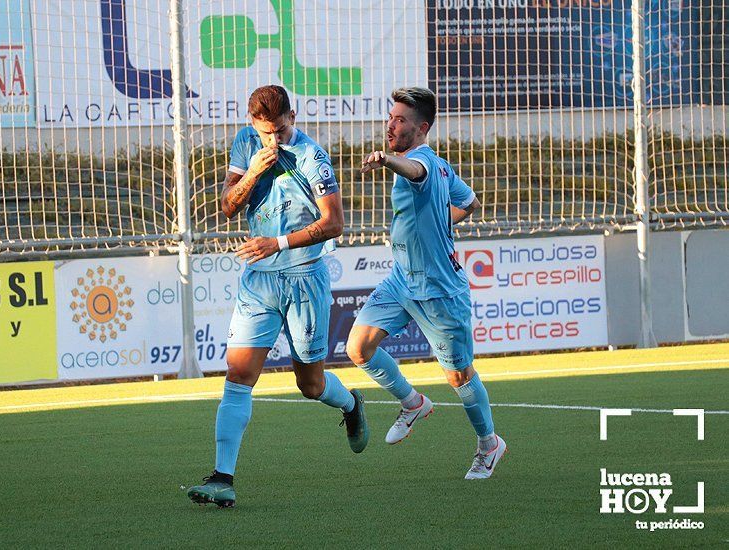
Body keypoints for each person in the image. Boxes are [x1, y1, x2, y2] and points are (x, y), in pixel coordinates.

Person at [187, 85, 369, 508]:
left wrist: (279, 243)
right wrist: (251, 172)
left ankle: (351, 403)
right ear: (254, 124)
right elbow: (228, 206)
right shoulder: (246, 143)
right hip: (259, 281)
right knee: (237, 377)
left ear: (293, 116)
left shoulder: (312, 156)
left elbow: (335, 223)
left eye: (281, 130)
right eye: (267, 132)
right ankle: (222, 477)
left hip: (304, 277)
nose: (275, 140)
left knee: (310, 384)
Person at [346, 87, 506, 480]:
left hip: (438, 289)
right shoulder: (445, 167)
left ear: (422, 129)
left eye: (400, 120)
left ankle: (489, 445)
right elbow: (469, 202)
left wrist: (387, 160)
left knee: (459, 376)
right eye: (391, 117)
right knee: (358, 347)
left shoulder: (419, 164)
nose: (391, 124)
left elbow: (415, 172)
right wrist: (438, 224)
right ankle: (413, 402)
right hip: (403, 279)